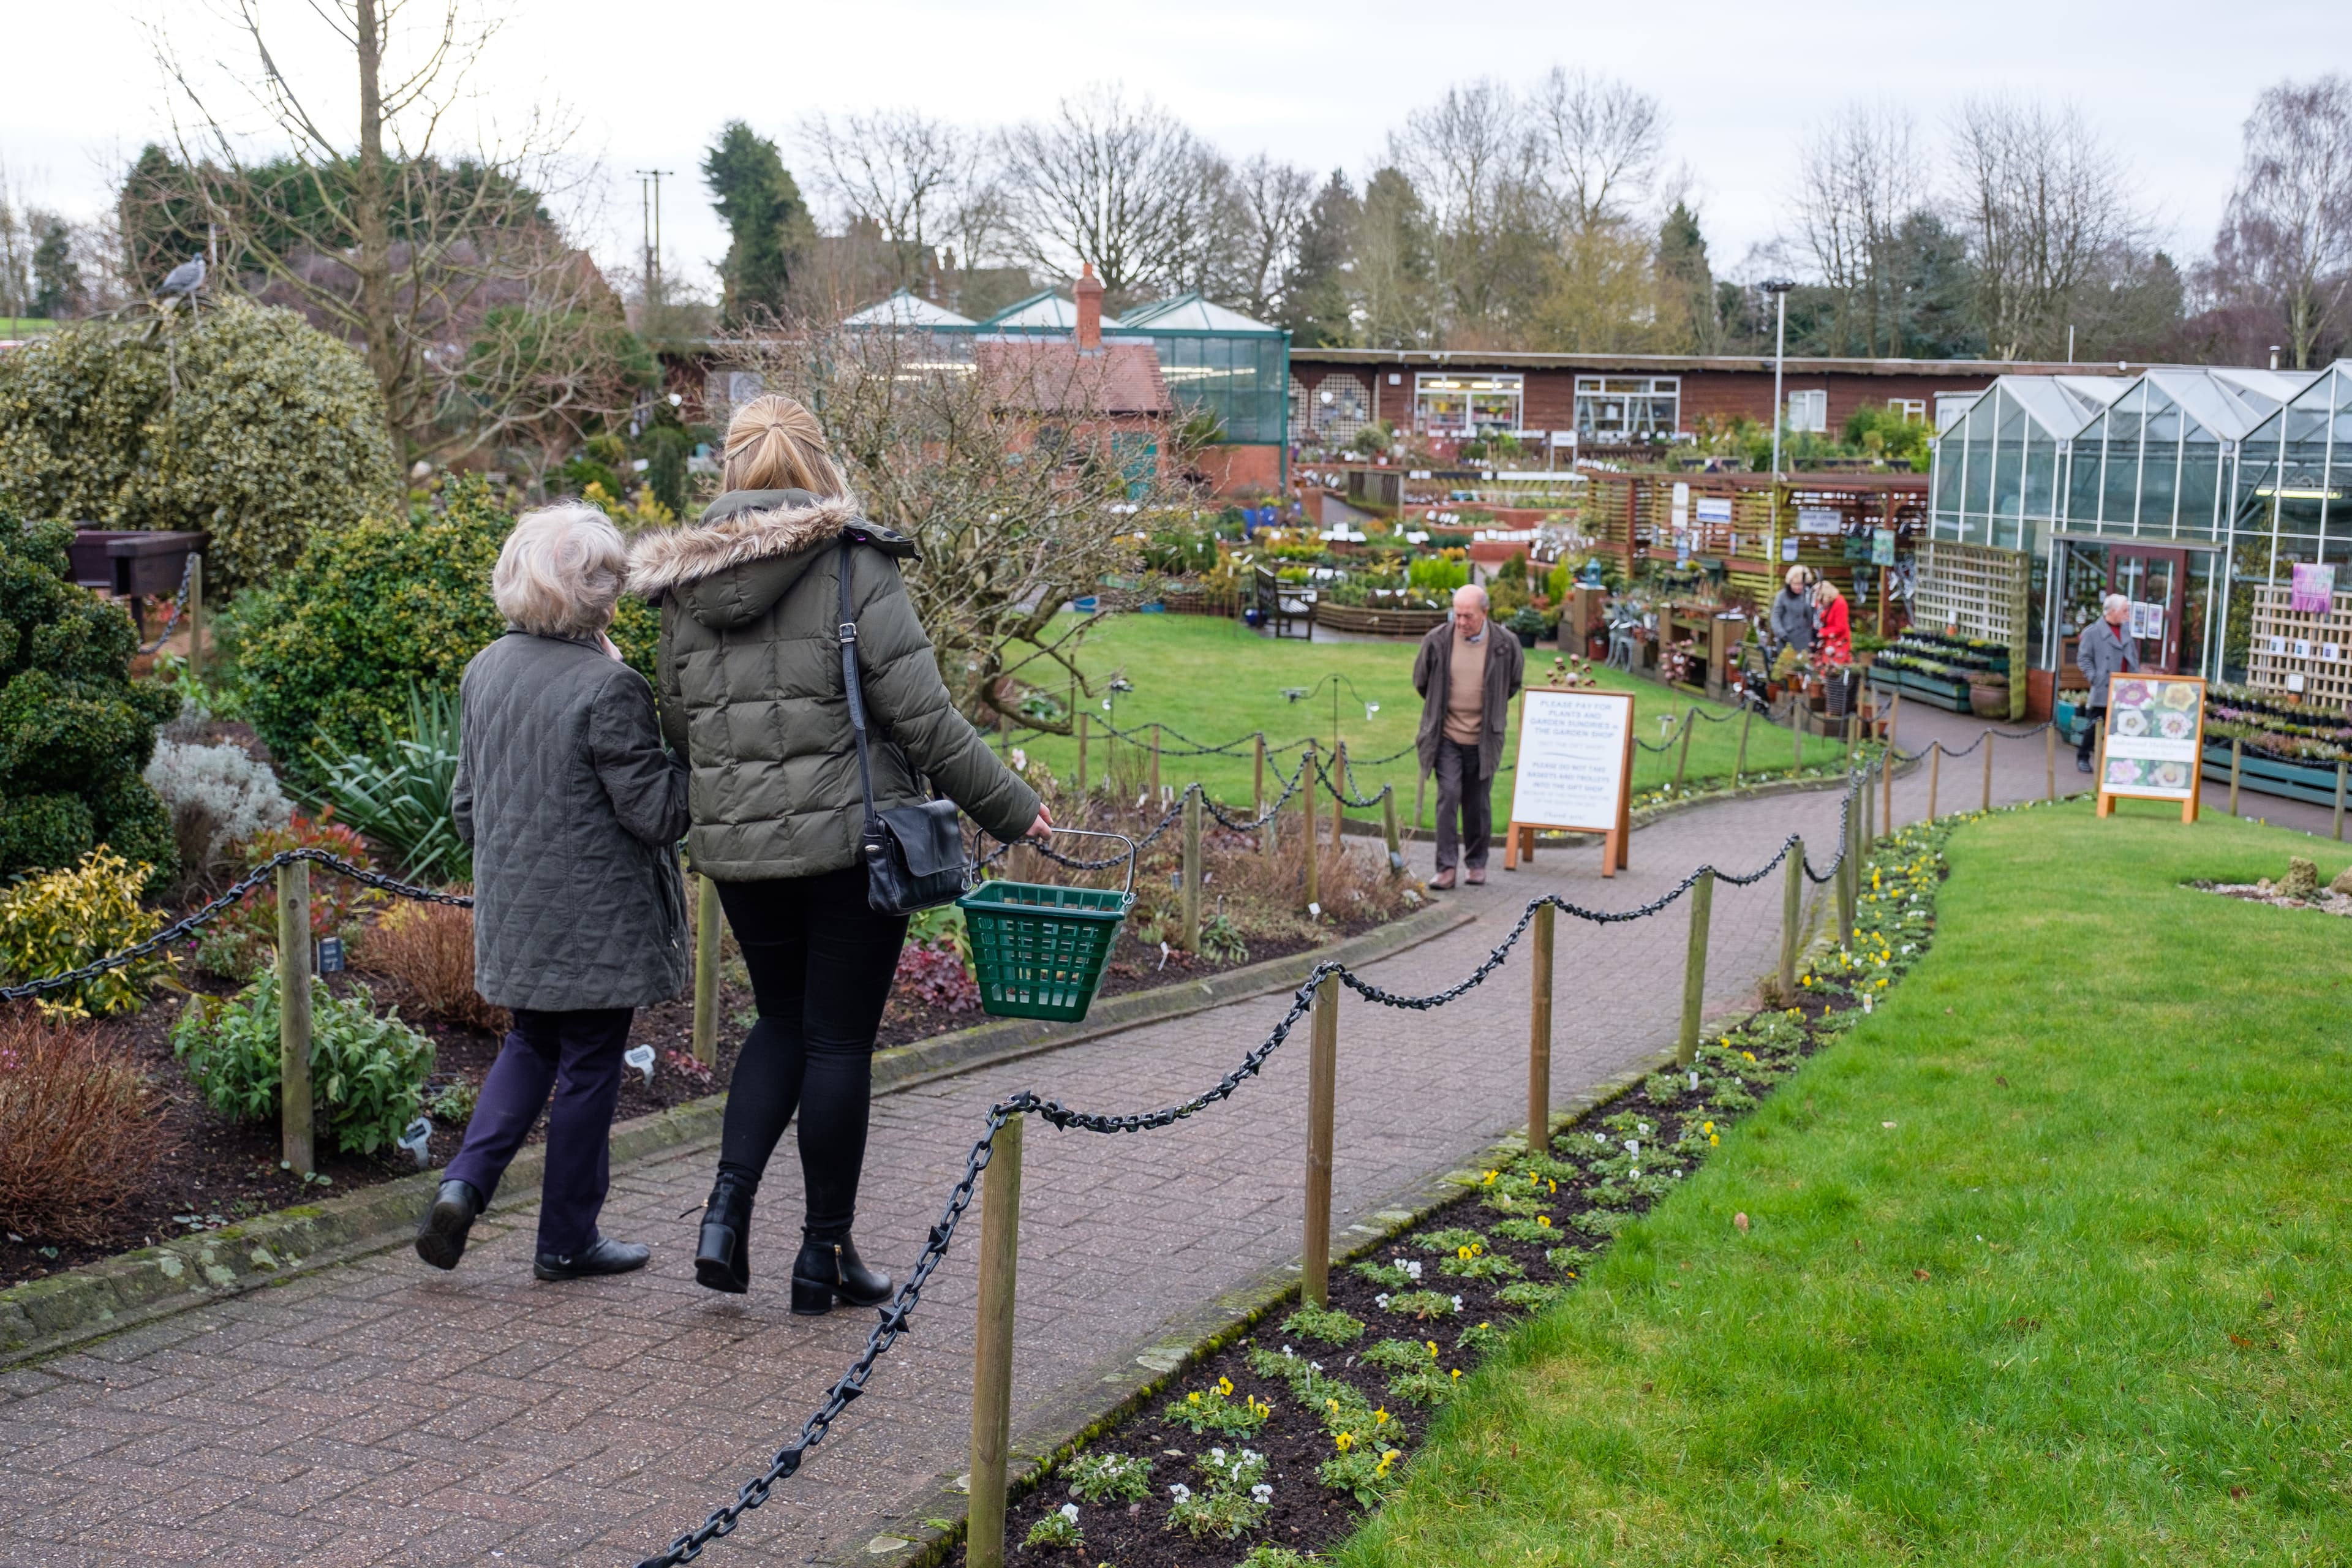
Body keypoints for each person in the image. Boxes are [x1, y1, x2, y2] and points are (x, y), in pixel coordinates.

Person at [627, 394, 1051, 1314]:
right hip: (853, 845)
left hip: (739, 852)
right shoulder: (855, 561)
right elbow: (926, 719)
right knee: (837, 1043)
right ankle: (823, 1258)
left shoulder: (679, 587)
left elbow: (678, 721)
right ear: (818, 464)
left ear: (731, 471)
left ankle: (722, 1219)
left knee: (778, 1023)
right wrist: (1017, 812)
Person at [414, 503, 690, 1283]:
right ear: (600, 597)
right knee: (592, 1063)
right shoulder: (611, 688)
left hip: (517, 914)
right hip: (599, 922)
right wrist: (697, 757)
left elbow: (467, 808)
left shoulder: (484, 669)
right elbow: (658, 814)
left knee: (530, 1043)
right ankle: (566, 1239)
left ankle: (463, 1186)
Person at [1412, 582, 1525, 891]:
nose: (1461, 622)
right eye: (1457, 615)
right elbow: (1421, 681)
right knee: (1448, 796)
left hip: (1484, 739)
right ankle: (1446, 868)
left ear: (1485, 613)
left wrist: (1489, 713)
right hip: (1446, 736)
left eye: (1468, 617)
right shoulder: (1437, 641)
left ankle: (1476, 863)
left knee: (1477, 803)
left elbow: (1512, 684)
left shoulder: (1506, 644)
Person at [2076, 592, 2140, 772]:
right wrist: (2095, 677)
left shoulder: (2126, 630)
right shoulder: (2093, 632)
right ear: (2113, 611)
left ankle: (2118, 763)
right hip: (2105, 686)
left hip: (2127, 689)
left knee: (2124, 727)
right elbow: (2084, 659)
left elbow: (2132, 656)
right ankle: (2083, 757)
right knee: (2094, 726)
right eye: (2125, 610)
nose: (2128, 614)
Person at [1812, 578, 1855, 716]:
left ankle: (1835, 706)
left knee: (1836, 672)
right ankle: (1827, 704)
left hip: (1839, 644)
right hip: (1829, 642)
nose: (1819, 601)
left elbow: (1841, 627)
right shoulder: (1827, 605)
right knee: (1824, 670)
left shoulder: (1840, 603)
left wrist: (1822, 633)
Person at [1769, 566, 1817, 662]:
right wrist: (1781, 633)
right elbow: (1775, 617)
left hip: (1804, 641)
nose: (1798, 587)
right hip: (1787, 639)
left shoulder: (1809, 596)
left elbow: (1813, 616)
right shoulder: (1782, 596)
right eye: (1795, 584)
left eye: (1801, 584)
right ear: (1790, 583)